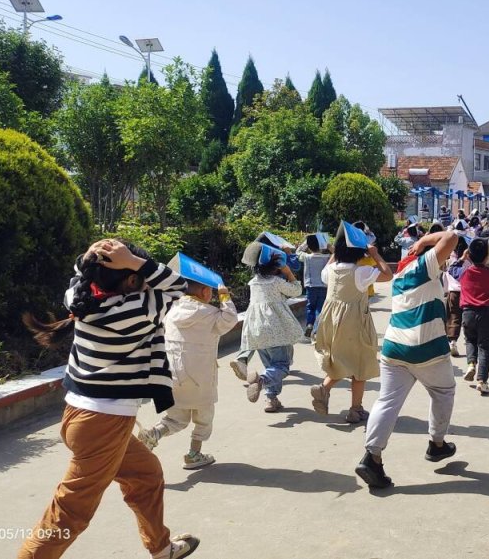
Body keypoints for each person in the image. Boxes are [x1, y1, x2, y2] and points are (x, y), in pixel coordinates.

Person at [19, 239, 199, 559]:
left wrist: (98, 256)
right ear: (131, 280)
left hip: (83, 415)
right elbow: (179, 285)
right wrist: (132, 260)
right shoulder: (139, 310)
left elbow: (81, 273)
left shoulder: (80, 299)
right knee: (70, 512)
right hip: (104, 423)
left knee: (146, 475)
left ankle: (161, 548)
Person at [356, 230, 461, 489]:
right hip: (426, 348)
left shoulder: (401, 276)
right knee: (443, 391)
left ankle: (372, 457)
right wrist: (423, 241)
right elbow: (452, 237)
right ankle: (437, 444)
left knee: (387, 401)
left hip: (394, 348)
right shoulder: (423, 266)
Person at [137, 279, 239, 470]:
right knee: (204, 419)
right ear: (205, 292)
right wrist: (224, 295)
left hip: (173, 376)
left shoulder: (171, 311)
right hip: (201, 379)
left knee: (176, 418)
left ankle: (153, 434)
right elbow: (230, 319)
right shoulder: (210, 314)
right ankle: (194, 454)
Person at [311, 225, 394, 423]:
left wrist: (335, 252)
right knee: (360, 364)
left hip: (330, 323)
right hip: (354, 323)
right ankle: (354, 409)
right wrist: (375, 254)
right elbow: (388, 274)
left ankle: (325, 389)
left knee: (341, 360)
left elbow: (325, 271)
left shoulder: (330, 270)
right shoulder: (361, 272)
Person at [239, 248, 304, 413]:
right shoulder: (276, 282)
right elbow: (297, 291)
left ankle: (271, 399)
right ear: (277, 266)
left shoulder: (253, 283)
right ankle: (261, 380)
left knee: (271, 366)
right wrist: (288, 273)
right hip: (278, 332)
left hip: (258, 332)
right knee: (281, 366)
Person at [456, 238, 489, 394]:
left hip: (467, 312)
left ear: (469, 255)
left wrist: (462, 258)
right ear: (488, 256)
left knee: (470, 340)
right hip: (486, 313)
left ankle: (471, 364)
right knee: (486, 347)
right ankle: (482, 380)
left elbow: (451, 269)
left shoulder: (464, 272)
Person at [298, 234, 332, 339]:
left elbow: (298, 252)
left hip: (310, 286)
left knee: (310, 307)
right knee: (320, 308)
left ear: (309, 246)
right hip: (323, 286)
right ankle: (317, 329)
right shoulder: (328, 258)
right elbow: (337, 255)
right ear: (322, 245)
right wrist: (328, 245)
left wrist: (306, 243)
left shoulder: (306, 257)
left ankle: (309, 324)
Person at [443, 237, 469, 357]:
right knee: (468, 318)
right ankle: (470, 341)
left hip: (453, 292)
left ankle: (452, 341)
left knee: (453, 317)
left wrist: (445, 291)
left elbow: (446, 277)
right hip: (467, 292)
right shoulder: (471, 260)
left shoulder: (449, 260)